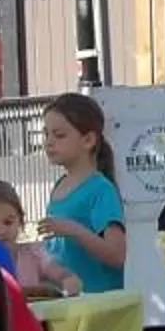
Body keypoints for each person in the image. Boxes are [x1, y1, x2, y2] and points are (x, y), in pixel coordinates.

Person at [39, 92, 129, 292]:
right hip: (69, 305)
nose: (49, 142)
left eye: (59, 135)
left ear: (88, 140)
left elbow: (116, 255)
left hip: (99, 306)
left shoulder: (101, 190)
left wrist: (74, 230)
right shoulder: (59, 186)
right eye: (46, 134)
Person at [0, 177, 77, 293]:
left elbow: (58, 272)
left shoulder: (34, 252)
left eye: (8, 222)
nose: (2, 231)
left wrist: (68, 279)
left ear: (20, 220)